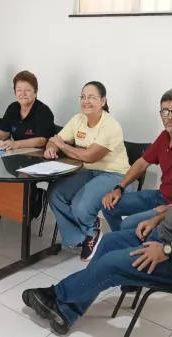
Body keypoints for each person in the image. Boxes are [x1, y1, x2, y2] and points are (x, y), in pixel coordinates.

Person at [22, 106, 172, 335]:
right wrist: (158, 218)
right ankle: (68, 311)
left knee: (110, 264)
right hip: (167, 236)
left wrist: (167, 249)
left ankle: (57, 295)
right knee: (108, 243)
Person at [101, 88, 172, 232]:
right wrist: (119, 188)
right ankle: (124, 242)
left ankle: (130, 243)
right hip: (161, 196)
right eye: (165, 111)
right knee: (109, 206)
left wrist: (170, 208)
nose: (170, 117)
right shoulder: (164, 136)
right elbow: (141, 164)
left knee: (129, 224)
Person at [44, 81, 131, 262]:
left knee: (80, 206)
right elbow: (56, 139)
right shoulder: (78, 120)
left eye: (91, 97)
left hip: (115, 174)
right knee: (55, 193)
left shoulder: (111, 125)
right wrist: (51, 147)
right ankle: (80, 237)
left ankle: (92, 232)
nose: (86, 101)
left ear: (103, 101)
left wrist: (63, 146)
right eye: (83, 97)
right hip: (87, 171)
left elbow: (91, 156)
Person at [0, 70, 55, 149]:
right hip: (18, 153)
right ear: (15, 92)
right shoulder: (12, 108)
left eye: (27, 90)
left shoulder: (43, 111)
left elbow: (41, 140)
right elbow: (4, 131)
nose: (23, 94)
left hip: (40, 155)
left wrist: (16, 144)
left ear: (35, 92)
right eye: (19, 90)